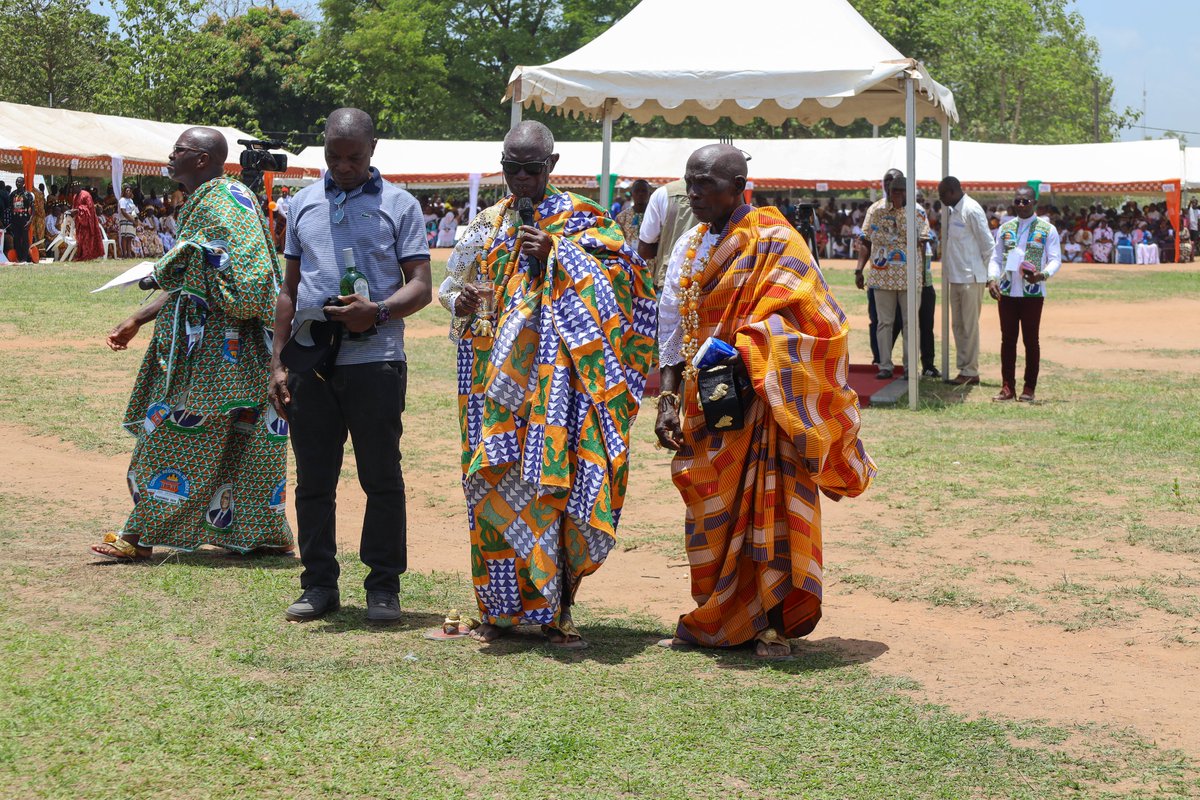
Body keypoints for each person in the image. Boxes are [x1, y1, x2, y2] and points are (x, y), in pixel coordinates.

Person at [438, 120, 655, 648]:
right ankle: (499, 609)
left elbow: (631, 284)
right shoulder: (486, 224)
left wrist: (558, 254)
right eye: (511, 170)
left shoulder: (586, 220)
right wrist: (458, 300)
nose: (520, 181)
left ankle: (560, 610)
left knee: (553, 488)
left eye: (531, 170)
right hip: (490, 384)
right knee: (492, 483)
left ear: (551, 167)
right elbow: (449, 284)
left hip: (561, 387)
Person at [653, 144, 874, 659]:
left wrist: (754, 354)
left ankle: (772, 624)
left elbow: (819, 320)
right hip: (706, 405)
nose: (695, 192)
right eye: (690, 181)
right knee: (710, 510)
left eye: (706, 182)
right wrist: (667, 396)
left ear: (738, 186)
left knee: (769, 512)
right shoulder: (688, 245)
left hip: (766, 405)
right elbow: (671, 325)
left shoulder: (777, 240)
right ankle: (717, 618)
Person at [90, 127, 294, 562]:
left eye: (178, 150)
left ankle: (140, 535)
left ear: (201, 159)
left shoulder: (221, 203)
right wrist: (139, 318)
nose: (170, 156)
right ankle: (262, 533)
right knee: (242, 440)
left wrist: (170, 272)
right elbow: (199, 271)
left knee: (177, 437)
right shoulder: (217, 200)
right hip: (224, 349)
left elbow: (247, 280)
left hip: (223, 353)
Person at [270, 108, 432, 624]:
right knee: (314, 480)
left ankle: (383, 587)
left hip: (376, 362)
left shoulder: (399, 205)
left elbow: (422, 286)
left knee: (380, 478)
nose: (342, 167)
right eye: (333, 157)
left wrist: (377, 312)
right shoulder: (301, 203)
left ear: (373, 149)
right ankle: (318, 584)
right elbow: (289, 290)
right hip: (311, 364)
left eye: (354, 157)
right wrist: (278, 364)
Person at [987, 186, 1061, 403]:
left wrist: (1043, 274)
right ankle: (1007, 387)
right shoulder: (1005, 228)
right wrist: (992, 279)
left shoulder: (1047, 229)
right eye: (1017, 201)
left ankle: (1029, 388)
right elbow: (995, 257)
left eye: (1025, 201)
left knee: (1031, 341)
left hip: (1033, 293)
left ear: (1034, 203)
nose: (1021, 205)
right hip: (1008, 291)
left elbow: (1056, 258)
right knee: (1007, 340)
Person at [857, 173, 930, 380]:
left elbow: (922, 243)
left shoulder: (917, 212)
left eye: (899, 190)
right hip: (882, 276)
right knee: (884, 323)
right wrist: (859, 270)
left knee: (910, 323)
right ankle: (885, 365)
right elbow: (866, 239)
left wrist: (922, 274)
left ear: (908, 192)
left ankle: (909, 368)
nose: (895, 194)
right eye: (892, 190)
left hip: (909, 277)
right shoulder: (876, 210)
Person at [937, 176, 994, 386]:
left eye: (942, 194)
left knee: (969, 326)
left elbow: (988, 245)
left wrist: (991, 277)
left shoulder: (971, 210)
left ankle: (971, 370)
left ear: (952, 191)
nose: (940, 199)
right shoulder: (953, 212)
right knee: (958, 325)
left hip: (972, 277)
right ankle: (964, 369)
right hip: (956, 277)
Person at [638, 178, 699, 294]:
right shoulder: (723, 193)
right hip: (710, 281)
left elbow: (644, 248)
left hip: (670, 280)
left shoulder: (663, 193)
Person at [616, 179, 651, 247]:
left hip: (651, 257)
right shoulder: (622, 217)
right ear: (632, 194)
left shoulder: (655, 216)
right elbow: (618, 242)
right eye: (637, 191)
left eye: (644, 191)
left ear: (649, 194)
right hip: (629, 256)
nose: (640, 194)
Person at [72, 188, 103, 261]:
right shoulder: (75, 196)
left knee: (86, 238)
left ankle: (87, 255)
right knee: (80, 238)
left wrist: (78, 210)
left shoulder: (86, 195)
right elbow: (74, 207)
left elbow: (90, 207)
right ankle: (81, 254)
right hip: (79, 221)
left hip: (87, 221)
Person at [9, 177, 35, 262]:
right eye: (16, 182)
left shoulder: (28, 195)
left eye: (19, 182)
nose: (17, 183)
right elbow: (10, 208)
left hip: (24, 220)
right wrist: (11, 221)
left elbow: (33, 209)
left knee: (24, 239)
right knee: (16, 239)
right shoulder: (13, 194)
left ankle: (24, 257)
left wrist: (30, 221)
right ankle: (19, 257)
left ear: (23, 183)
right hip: (15, 220)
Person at [117, 185, 139, 258]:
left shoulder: (131, 200)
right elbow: (123, 212)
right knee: (124, 237)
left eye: (129, 191)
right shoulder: (122, 200)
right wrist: (132, 220)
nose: (128, 192)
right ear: (124, 192)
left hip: (131, 219)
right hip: (125, 219)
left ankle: (129, 254)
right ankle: (124, 254)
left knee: (129, 237)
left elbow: (133, 211)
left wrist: (136, 220)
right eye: (127, 190)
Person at [31, 182, 46, 247]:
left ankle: (40, 252)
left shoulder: (39, 193)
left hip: (37, 217)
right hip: (37, 217)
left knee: (38, 236)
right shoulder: (39, 193)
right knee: (38, 236)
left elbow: (41, 207)